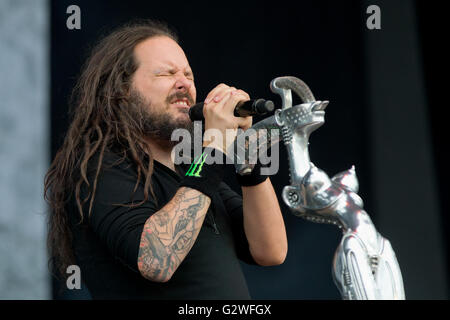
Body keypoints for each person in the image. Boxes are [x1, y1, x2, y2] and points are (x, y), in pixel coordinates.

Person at [44, 19, 287, 300]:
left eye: (188, 74)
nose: (184, 83)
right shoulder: (100, 167)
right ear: (121, 91)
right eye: (166, 74)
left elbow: (271, 251)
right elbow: (156, 261)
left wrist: (247, 153)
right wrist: (214, 149)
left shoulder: (191, 171)